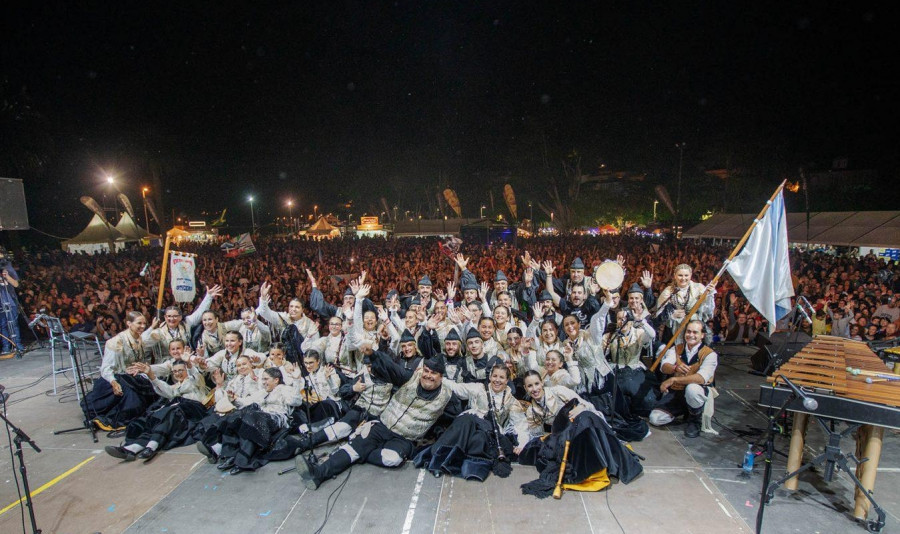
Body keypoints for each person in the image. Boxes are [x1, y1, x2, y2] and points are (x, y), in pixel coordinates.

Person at [294, 348, 460, 490]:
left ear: (441, 377)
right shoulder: (410, 377)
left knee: (392, 459)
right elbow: (391, 367)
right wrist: (373, 353)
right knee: (352, 448)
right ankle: (318, 474)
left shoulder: (447, 396)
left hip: (405, 438)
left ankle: (361, 451)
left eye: (434, 373)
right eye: (426, 371)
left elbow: (454, 417)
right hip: (383, 425)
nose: (428, 376)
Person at [514, 371, 643, 499]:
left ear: (542, 383)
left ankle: (604, 461)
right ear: (525, 388)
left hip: (582, 425)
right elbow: (537, 434)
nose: (535, 389)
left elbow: (587, 405)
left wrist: (581, 408)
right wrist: (522, 444)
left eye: (537, 384)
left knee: (585, 418)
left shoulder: (558, 391)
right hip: (564, 437)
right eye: (530, 386)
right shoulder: (532, 411)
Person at [414, 364, 518, 480]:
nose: (497, 380)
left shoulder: (511, 400)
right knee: (465, 420)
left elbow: (520, 424)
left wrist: (521, 444)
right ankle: (437, 457)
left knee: (477, 436)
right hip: (470, 425)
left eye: (501, 377)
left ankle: (459, 465)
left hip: (491, 433)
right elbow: (457, 388)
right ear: (490, 377)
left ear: (507, 380)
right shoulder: (479, 388)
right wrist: (439, 377)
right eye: (495, 376)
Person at [104, 358, 208, 462]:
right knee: (154, 418)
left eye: (181, 370)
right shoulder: (175, 387)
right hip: (176, 412)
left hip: (193, 410)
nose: (178, 373)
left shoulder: (195, 382)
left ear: (187, 370)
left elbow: (196, 377)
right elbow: (166, 391)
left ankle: (152, 446)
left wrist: (189, 364)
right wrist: (150, 375)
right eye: (175, 371)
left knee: (171, 411)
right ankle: (132, 449)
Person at [213, 367, 305, 474]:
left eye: (266, 379)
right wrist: (234, 399)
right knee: (238, 418)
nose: (263, 382)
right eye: (263, 379)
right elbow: (246, 402)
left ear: (276, 380)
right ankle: (231, 455)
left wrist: (297, 380)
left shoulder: (284, 389)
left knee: (251, 417)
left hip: (275, 419)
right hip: (258, 419)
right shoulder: (262, 392)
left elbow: (296, 401)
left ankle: (241, 460)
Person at [84, 311, 158, 431]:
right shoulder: (115, 342)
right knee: (134, 405)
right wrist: (114, 382)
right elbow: (106, 368)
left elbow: (143, 337)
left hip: (134, 377)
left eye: (145, 323)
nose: (143, 326)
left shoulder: (138, 337)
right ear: (129, 323)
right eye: (139, 323)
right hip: (118, 377)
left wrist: (152, 328)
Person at [649, 320, 718, 438]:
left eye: (695, 332)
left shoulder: (709, 354)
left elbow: (701, 378)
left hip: (698, 391)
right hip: (677, 392)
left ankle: (695, 419)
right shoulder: (677, 349)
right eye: (688, 331)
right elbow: (664, 367)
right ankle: (683, 410)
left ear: (702, 335)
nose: (691, 335)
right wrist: (675, 367)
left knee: (692, 389)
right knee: (654, 418)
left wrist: (673, 380)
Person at [141, 285, 221, 362]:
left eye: (175, 316)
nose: (171, 319)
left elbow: (199, 313)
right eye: (169, 316)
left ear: (180, 317)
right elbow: (143, 341)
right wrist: (151, 327)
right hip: (166, 364)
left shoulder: (186, 323)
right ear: (165, 317)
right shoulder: (159, 331)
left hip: (185, 361)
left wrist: (209, 297)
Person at [0, 246, 25, 355]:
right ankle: (6, 347)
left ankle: (17, 345)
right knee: (2, 325)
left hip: (10, 300)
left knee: (13, 323)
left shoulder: (8, 267)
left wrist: (7, 277)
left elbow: (16, 284)